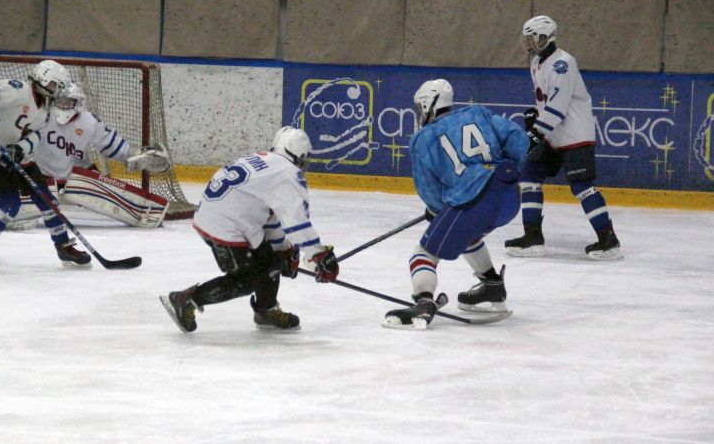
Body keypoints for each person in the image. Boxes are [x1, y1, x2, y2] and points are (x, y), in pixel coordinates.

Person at [159, 126, 339, 333]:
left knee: (271, 262)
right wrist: (320, 256)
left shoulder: (263, 161)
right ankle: (185, 300)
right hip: (227, 227)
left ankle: (265, 310)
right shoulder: (288, 173)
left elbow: (271, 216)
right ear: (300, 155)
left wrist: (282, 249)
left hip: (221, 219)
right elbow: (296, 220)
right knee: (247, 280)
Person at [383, 79, 529, 330]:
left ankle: (424, 300)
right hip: (509, 195)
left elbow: (429, 191)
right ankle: (492, 285)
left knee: (424, 254)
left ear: (428, 104)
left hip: (474, 200)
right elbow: (519, 142)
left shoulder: (422, 139)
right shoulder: (478, 113)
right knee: (467, 235)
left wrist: (436, 211)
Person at [505, 15, 622, 260]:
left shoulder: (563, 63)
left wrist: (535, 132)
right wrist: (535, 117)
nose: (528, 43)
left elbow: (558, 107)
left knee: (581, 185)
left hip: (575, 134)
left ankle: (608, 240)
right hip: (554, 134)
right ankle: (533, 237)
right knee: (529, 176)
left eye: (532, 38)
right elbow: (546, 102)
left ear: (544, 36)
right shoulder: (537, 63)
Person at [0, 60, 91, 271]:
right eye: (53, 85)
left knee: (48, 201)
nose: (55, 91)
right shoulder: (17, 89)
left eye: (58, 88)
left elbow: (36, 135)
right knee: (9, 205)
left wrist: (20, 149)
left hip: (22, 159)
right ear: (41, 79)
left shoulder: (47, 110)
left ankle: (63, 246)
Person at [33, 82, 171, 227]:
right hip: (42, 175)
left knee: (89, 178)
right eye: (60, 101)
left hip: (78, 177)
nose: (64, 105)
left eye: (69, 102)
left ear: (78, 103)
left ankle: (141, 210)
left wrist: (133, 154)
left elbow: (112, 145)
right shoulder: (41, 116)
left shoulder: (89, 122)